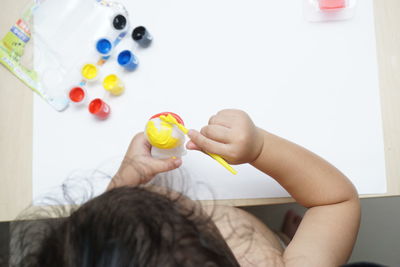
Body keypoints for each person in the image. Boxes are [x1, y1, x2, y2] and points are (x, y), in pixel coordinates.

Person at [12, 109, 360, 267]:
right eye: (187, 208)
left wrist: (123, 183)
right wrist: (260, 147)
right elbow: (336, 201)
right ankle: (285, 240)